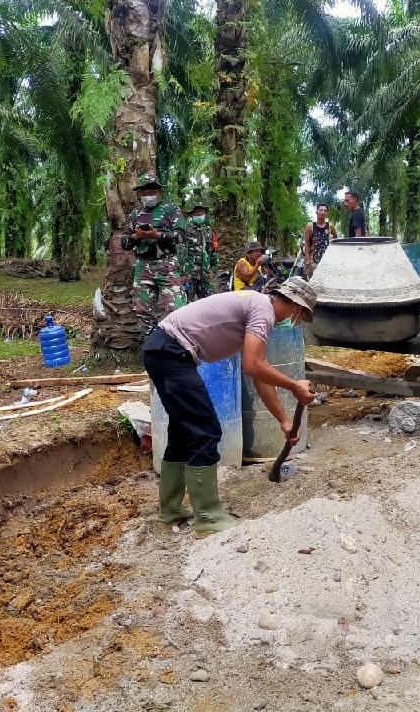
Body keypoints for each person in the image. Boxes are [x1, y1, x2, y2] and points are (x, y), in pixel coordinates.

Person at [144, 278, 318, 535]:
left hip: (161, 349)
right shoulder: (263, 310)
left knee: (184, 431)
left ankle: (170, 510)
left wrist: (283, 420)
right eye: (302, 316)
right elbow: (252, 365)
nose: (297, 321)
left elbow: (260, 374)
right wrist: (294, 385)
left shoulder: (257, 307)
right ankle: (208, 517)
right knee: (205, 430)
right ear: (297, 308)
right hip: (171, 352)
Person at [122, 174, 188, 337]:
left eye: (151, 191)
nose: (147, 195)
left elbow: (181, 236)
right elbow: (124, 242)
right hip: (143, 266)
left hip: (167, 265)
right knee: (142, 310)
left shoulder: (171, 209)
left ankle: (177, 347)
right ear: (139, 194)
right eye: (144, 193)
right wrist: (136, 237)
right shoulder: (135, 214)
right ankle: (152, 349)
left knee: (175, 309)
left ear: (159, 192)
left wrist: (156, 235)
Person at [182, 202, 218, 301]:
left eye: (201, 213)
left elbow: (213, 251)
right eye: (196, 213)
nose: (199, 215)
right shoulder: (185, 230)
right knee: (187, 303)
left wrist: (213, 269)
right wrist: (182, 272)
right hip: (189, 273)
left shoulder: (209, 232)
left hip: (205, 274)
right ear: (191, 215)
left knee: (209, 303)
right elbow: (180, 251)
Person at [304, 203, 337, 278]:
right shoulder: (310, 226)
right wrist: (307, 260)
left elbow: (336, 240)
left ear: (327, 213)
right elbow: (307, 243)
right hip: (313, 259)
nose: (323, 212)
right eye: (321, 210)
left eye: (325, 211)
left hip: (327, 260)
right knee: (313, 281)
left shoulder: (330, 226)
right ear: (316, 212)